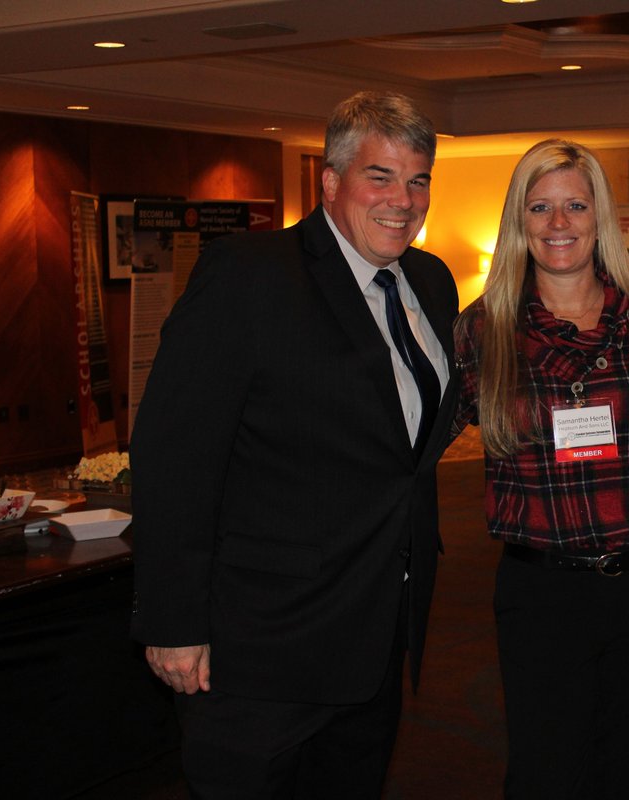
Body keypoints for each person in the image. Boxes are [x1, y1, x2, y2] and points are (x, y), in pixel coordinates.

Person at [129, 90, 459, 797]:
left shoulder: (430, 282)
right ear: (330, 182)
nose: (403, 200)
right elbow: (175, 455)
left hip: (375, 634)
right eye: (380, 176)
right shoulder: (250, 274)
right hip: (261, 647)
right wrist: (173, 621)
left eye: (418, 179)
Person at [453, 139, 629, 799]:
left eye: (575, 206)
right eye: (540, 207)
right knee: (547, 774)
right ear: (519, 220)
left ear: (601, 218)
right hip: (543, 593)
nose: (558, 223)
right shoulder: (481, 332)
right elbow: (408, 440)